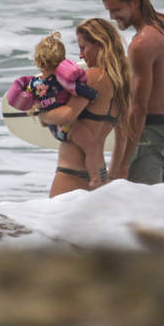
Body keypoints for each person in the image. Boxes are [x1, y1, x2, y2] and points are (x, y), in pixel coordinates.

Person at [100, 0, 164, 184]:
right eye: (109, 11)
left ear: (135, 2)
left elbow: (138, 107)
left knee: (140, 210)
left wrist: (121, 163)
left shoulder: (141, 44)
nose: (112, 17)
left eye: (116, 10)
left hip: (150, 133)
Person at [36, 19, 131, 197]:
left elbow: (68, 115)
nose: (80, 56)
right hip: (99, 175)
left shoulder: (91, 78)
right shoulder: (123, 85)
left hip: (71, 174)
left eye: (83, 48)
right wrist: (111, 176)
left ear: (100, 44)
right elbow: (123, 137)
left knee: (54, 224)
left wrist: (43, 115)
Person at [6, 31, 104, 181]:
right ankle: (96, 179)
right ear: (61, 60)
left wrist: (37, 110)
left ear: (37, 60)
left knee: (87, 147)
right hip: (67, 126)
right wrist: (94, 95)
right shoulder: (63, 80)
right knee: (91, 147)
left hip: (54, 129)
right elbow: (84, 91)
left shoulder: (33, 84)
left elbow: (28, 102)